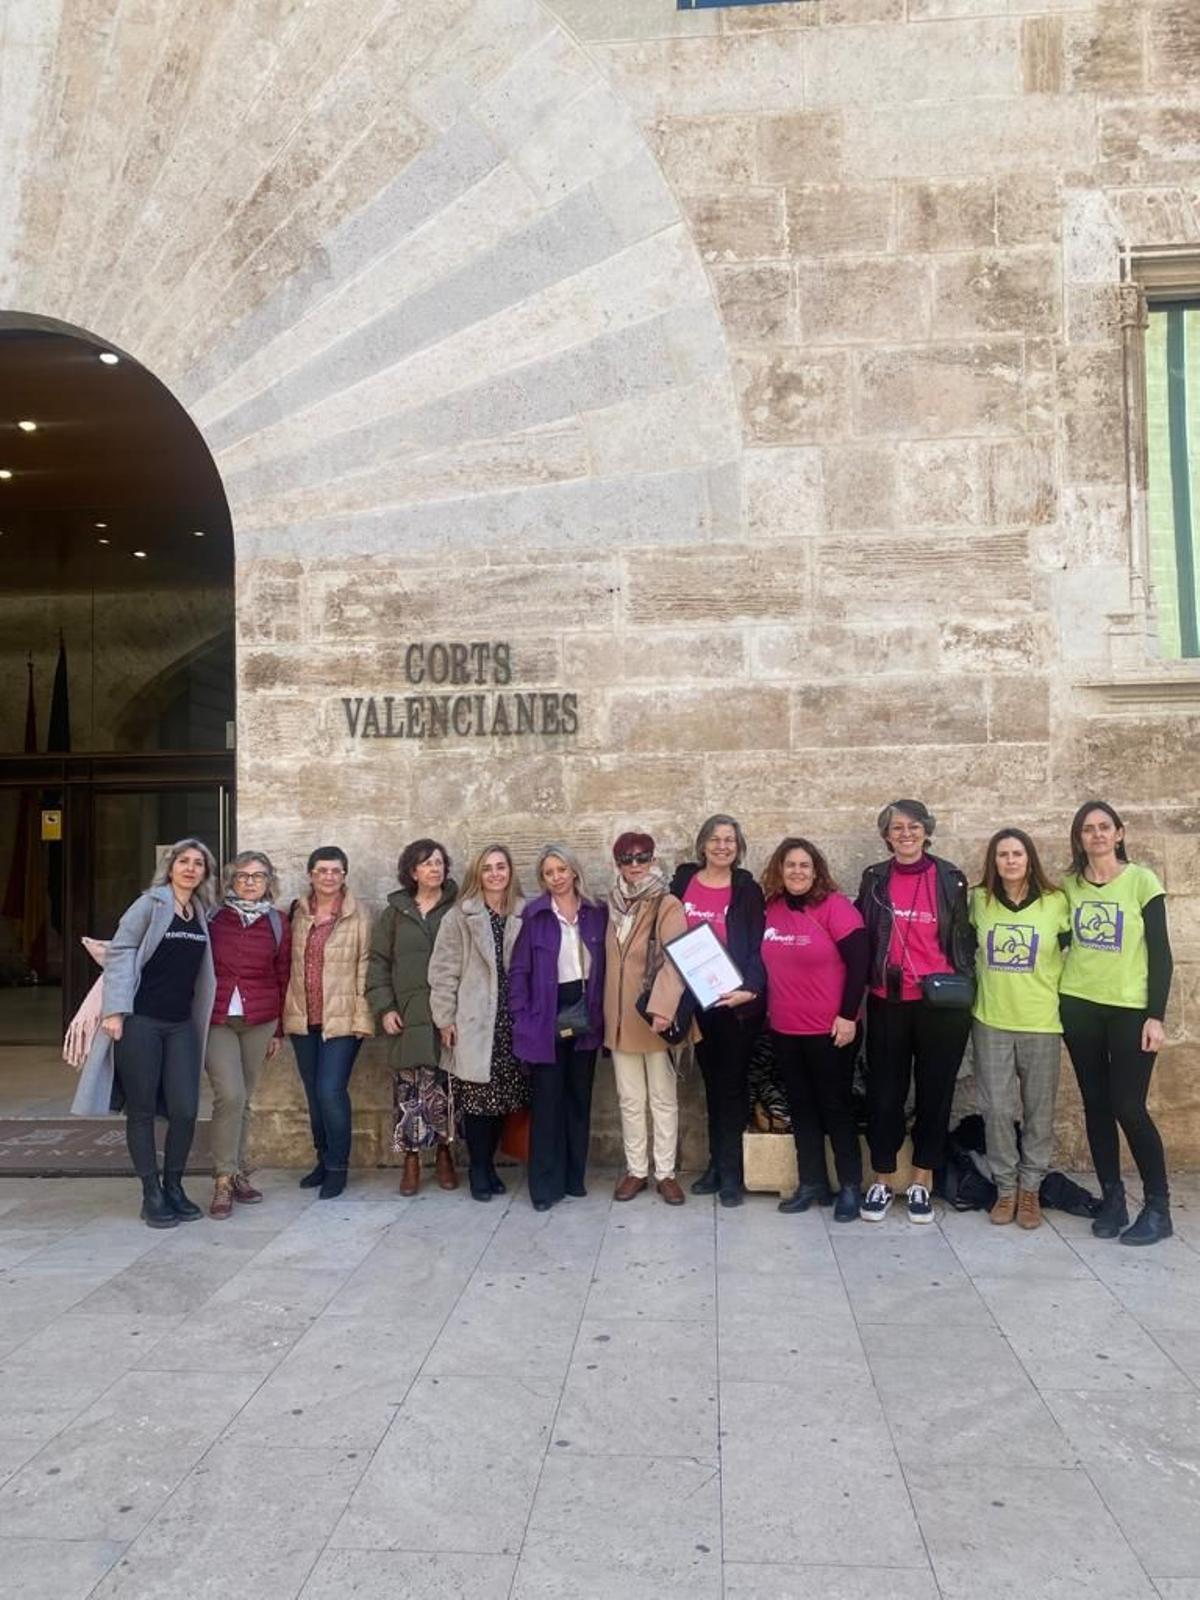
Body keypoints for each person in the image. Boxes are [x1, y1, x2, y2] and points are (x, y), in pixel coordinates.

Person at [71, 839, 217, 1228]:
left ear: (205, 872)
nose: (190, 868)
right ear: (170, 867)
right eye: (183, 861)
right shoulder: (149, 905)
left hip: (181, 1025)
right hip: (141, 1021)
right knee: (142, 1109)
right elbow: (120, 952)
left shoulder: (201, 912)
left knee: (185, 1109)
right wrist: (116, 1012)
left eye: (198, 863)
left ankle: (174, 1186)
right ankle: (150, 1192)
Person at [1060, 801, 1175, 1245]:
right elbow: (1057, 937)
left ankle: (1158, 1206)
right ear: (1079, 837)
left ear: (1120, 833)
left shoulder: (1142, 881)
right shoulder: (1069, 886)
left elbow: (1161, 954)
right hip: (1079, 1004)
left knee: (1128, 1105)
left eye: (1105, 827)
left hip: (1130, 1009)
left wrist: (1156, 1016)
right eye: (1088, 829)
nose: (1097, 835)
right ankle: (1113, 1198)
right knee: (1096, 1105)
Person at [856, 799, 975, 1225]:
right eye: (896, 827)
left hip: (941, 1003)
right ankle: (883, 1179)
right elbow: (861, 936)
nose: (905, 834)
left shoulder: (950, 878)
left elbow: (964, 938)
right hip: (888, 1000)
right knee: (885, 1095)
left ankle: (923, 1178)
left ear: (927, 830)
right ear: (886, 835)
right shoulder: (874, 879)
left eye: (913, 826)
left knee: (935, 1093)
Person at [760, 837, 867, 1223]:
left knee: (835, 1108)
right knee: (802, 1109)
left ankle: (851, 1186)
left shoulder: (835, 908)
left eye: (805, 865)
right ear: (780, 869)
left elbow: (860, 966)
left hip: (830, 1030)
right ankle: (812, 1184)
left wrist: (847, 1016)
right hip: (785, 1028)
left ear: (816, 870)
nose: (797, 872)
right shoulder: (769, 909)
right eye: (790, 865)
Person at [970, 829, 1070, 1231]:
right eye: (1002, 855)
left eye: (1017, 853)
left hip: (1041, 1022)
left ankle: (1031, 1190)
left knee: (1038, 1112)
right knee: (996, 1109)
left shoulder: (1057, 903)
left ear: (1030, 858)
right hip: (991, 1020)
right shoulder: (979, 901)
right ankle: (1006, 1189)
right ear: (993, 862)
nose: (1010, 861)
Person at [670, 814, 765, 1208]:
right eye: (715, 839)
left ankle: (732, 1173)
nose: (722, 846)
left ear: (738, 847)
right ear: (702, 844)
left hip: (733, 1005)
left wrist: (750, 989)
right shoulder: (683, 881)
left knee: (732, 1089)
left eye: (729, 840)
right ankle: (715, 1165)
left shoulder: (747, 889)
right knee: (710, 1087)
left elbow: (761, 944)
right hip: (693, 1002)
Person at [428, 844, 528, 1201]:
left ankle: (491, 1166)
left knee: (505, 1099)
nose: (496, 874)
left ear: (510, 871)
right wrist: (444, 1017)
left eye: (501, 867)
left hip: (512, 1022)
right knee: (478, 1103)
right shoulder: (459, 916)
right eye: (488, 868)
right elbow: (443, 971)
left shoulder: (523, 912)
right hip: (474, 1021)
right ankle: (479, 1168)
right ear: (477, 874)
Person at [509, 844, 606, 1212]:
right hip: (545, 1013)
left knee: (578, 1099)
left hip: (585, 1012)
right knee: (547, 1102)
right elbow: (519, 971)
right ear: (543, 879)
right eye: (549, 873)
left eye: (561, 870)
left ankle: (572, 1178)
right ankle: (544, 1186)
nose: (557, 878)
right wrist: (523, 1016)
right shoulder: (535, 916)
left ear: (574, 871)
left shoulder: (595, 913)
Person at [603, 831, 694, 1206]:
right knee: (629, 1098)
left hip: (654, 1015)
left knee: (662, 1098)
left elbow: (677, 957)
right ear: (618, 864)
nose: (635, 865)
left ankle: (666, 1173)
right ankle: (636, 1169)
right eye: (628, 859)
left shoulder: (666, 903)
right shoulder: (610, 904)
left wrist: (663, 1008)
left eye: (642, 857)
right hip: (621, 1017)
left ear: (653, 860)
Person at [366, 839, 459, 1196]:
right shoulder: (395, 913)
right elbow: (378, 963)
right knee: (410, 1090)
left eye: (438, 862)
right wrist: (384, 1007)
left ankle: (445, 1153)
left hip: (446, 1015)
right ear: (412, 871)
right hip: (407, 1015)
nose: (434, 869)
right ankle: (411, 1160)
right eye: (426, 863)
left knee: (447, 1088)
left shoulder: (457, 908)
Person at [204, 851, 291, 1218]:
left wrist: (280, 1030)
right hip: (217, 1019)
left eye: (258, 876)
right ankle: (223, 1179)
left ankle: (237, 1172)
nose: (250, 882)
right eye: (242, 876)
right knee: (230, 1096)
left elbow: (284, 974)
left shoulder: (279, 922)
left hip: (261, 1019)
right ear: (230, 881)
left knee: (246, 1099)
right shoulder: (212, 918)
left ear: (269, 881)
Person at [283, 845, 373, 1199]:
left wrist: (362, 1017)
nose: (329, 877)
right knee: (313, 1094)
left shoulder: (358, 914)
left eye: (336, 871)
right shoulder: (297, 912)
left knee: (330, 1091)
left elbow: (365, 966)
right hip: (304, 1018)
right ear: (310, 875)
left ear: (345, 876)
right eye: (322, 871)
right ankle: (322, 1159)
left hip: (343, 1020)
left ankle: (338, 1166)